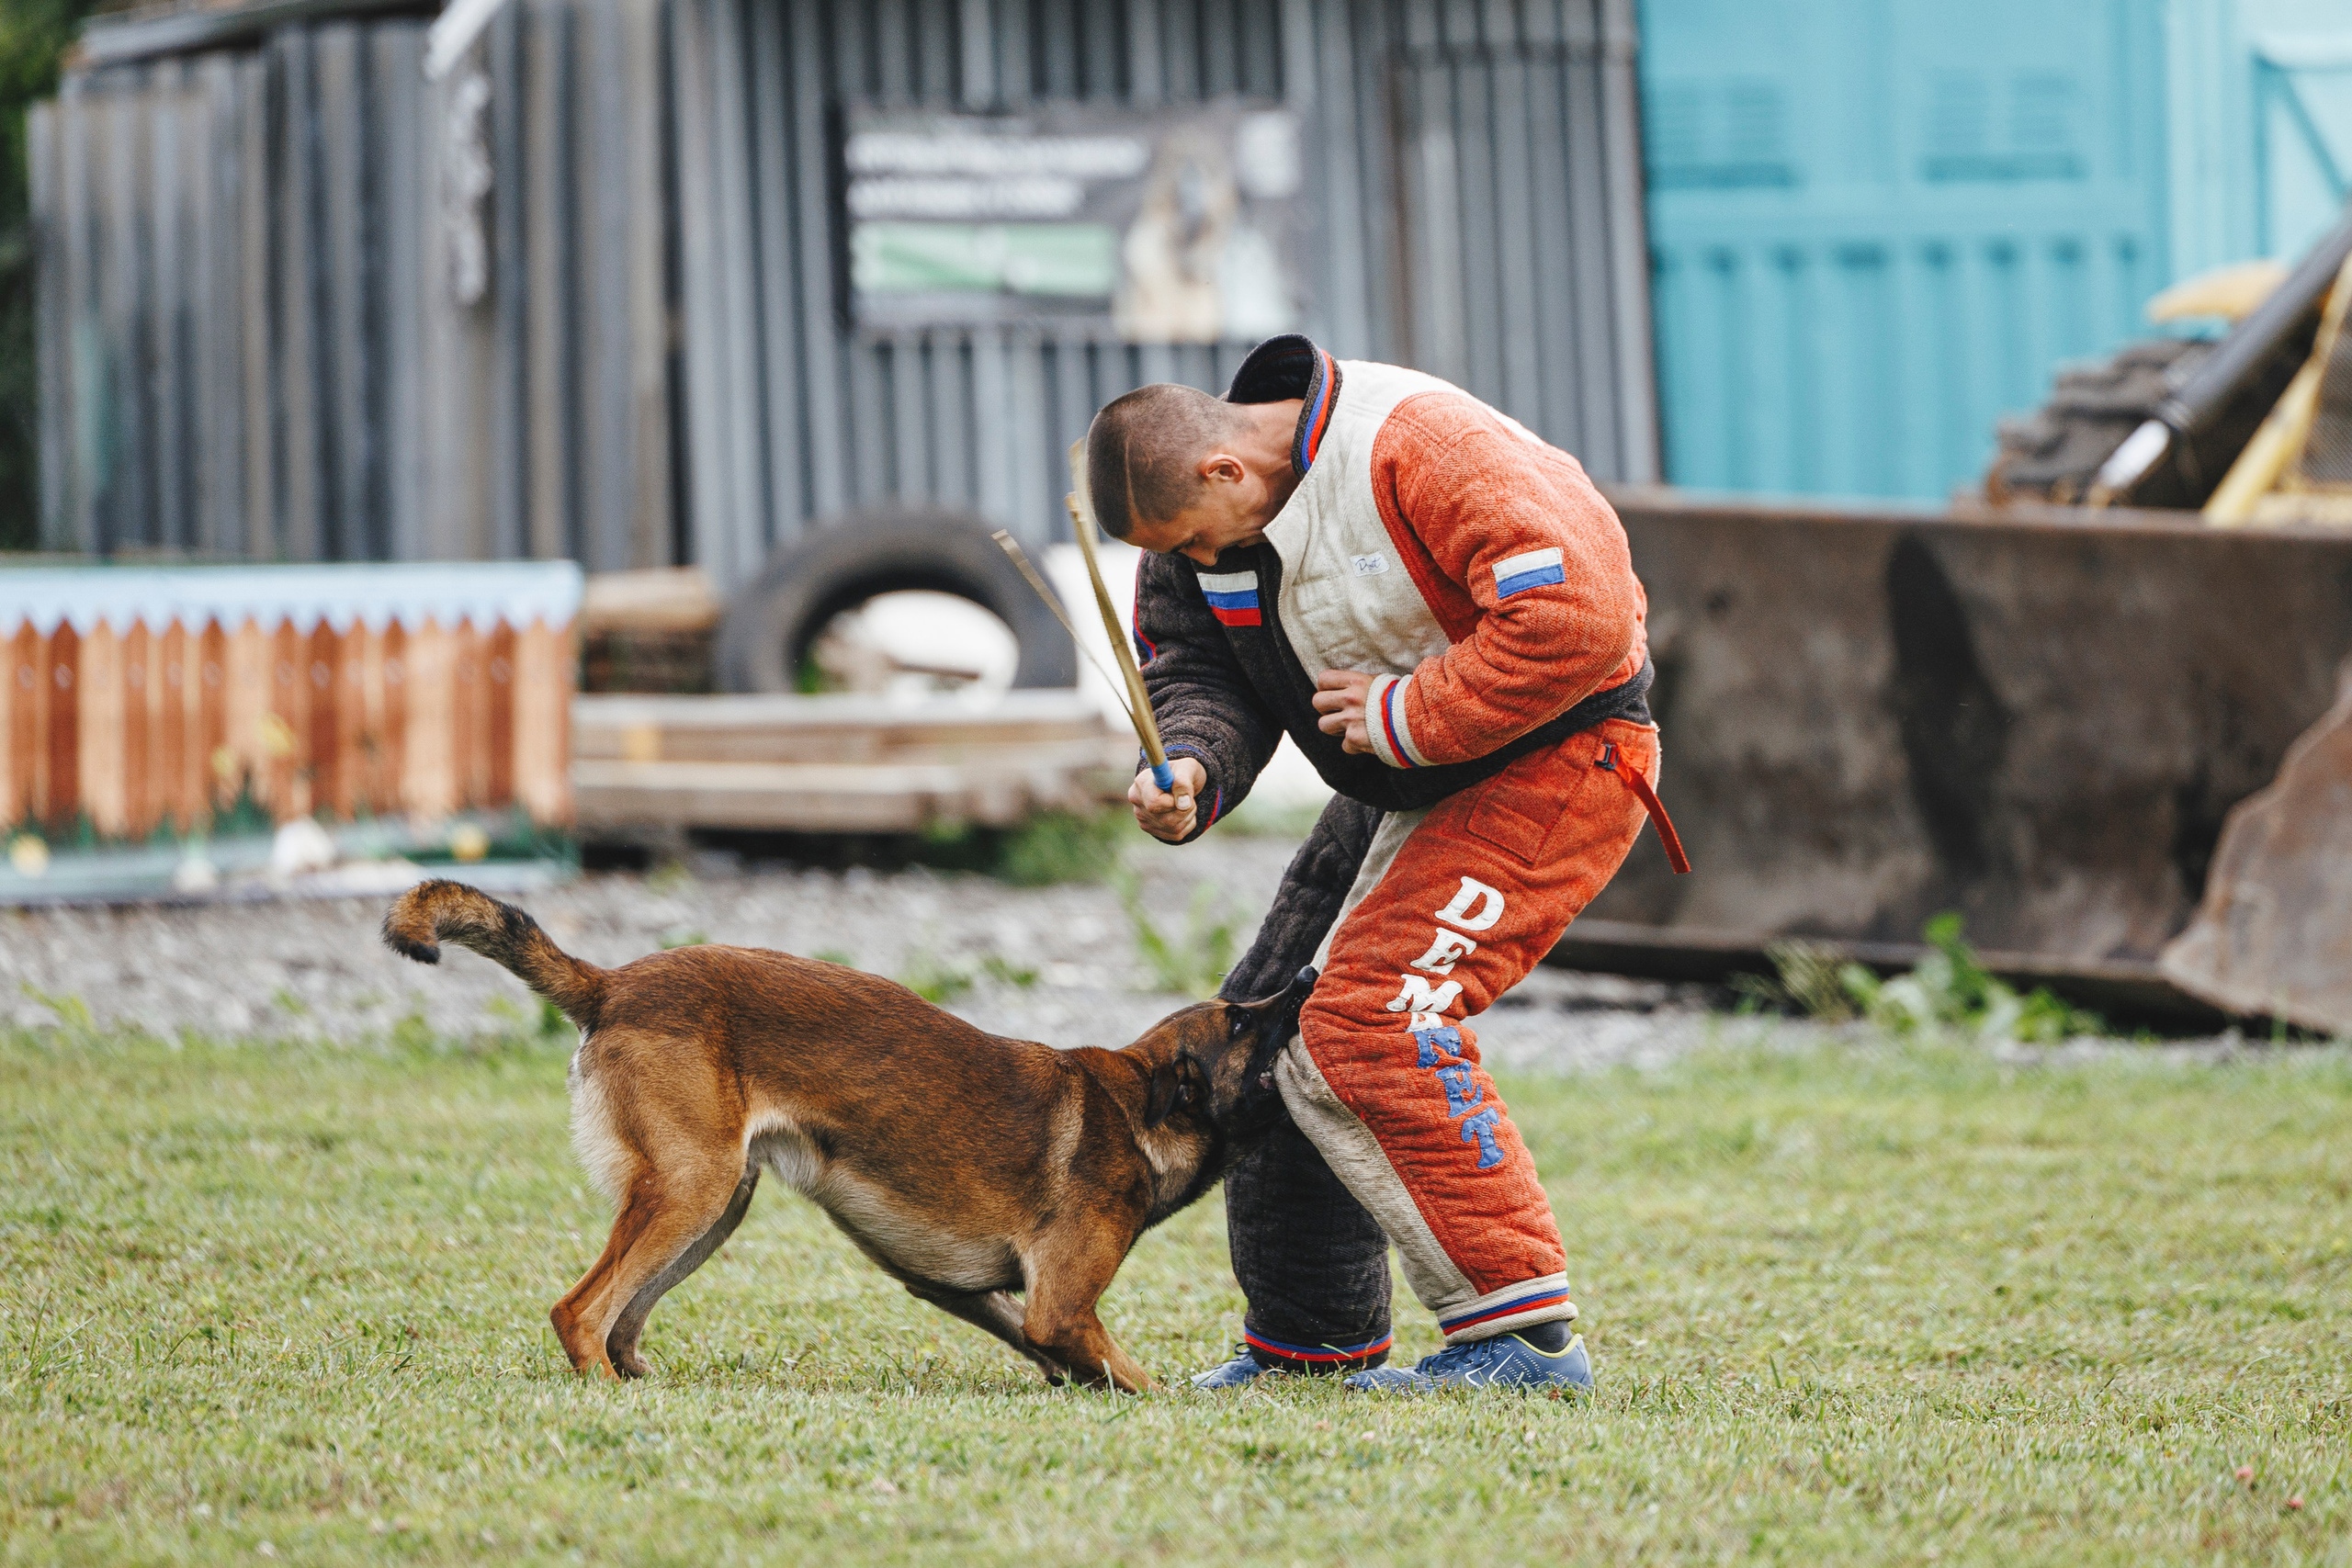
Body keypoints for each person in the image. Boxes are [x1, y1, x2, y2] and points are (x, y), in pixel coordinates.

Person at [1090, 334, 1686, 1393]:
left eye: (1192, 540)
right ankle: (1309, 1346)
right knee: (1261, 1037)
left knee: (1375, 1018)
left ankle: (1528, 1343)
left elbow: (1578, 617)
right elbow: (1193, 669)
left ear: (1226, 470)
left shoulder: (1420, 444)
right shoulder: (1192, 523)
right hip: (1401, 782)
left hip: (1558, 757)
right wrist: (1188, 765)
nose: (1189, 561)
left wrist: (1410, 713)